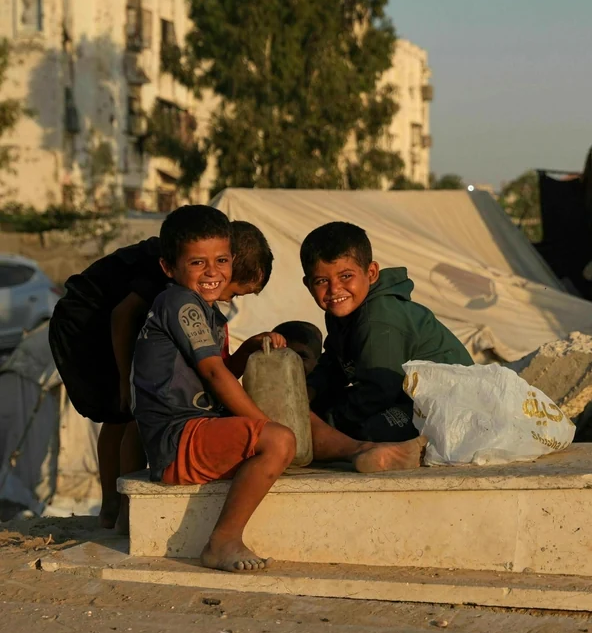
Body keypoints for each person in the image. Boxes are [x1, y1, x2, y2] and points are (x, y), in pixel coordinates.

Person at [131, 206, 423, 573]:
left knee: (294, 416)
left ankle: (363, 451)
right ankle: (222, 541)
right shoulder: (180, 303)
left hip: (197, 429)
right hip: (178, 440)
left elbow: (219, 371)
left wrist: (248, 350)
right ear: (168, 267)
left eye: (221, 260)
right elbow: (216, 376)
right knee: (280, 439)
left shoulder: (206, 310)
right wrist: (266, 426)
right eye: (197, 263)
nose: (212, 272)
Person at [49, 218, 274, 530]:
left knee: (128, 414)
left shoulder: (189, 280)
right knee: (124, 414)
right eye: (234, 294)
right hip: (87, 321)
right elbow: (122, 316)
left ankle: (116, 510)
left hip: (110, 321)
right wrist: (126, 379)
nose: (227, 299)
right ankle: (115, 508)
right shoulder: (173, 278)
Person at [302, 222, 474, 442]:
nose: (334, 289)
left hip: (450, 407)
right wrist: (309, 391)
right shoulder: (341, 311)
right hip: (402, 397)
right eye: (322, 281)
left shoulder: (378, 318)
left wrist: (327, 424)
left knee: (370, 431)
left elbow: (378, 391)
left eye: (345, 276)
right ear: (308, 285)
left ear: (371, 273)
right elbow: (335, 364)